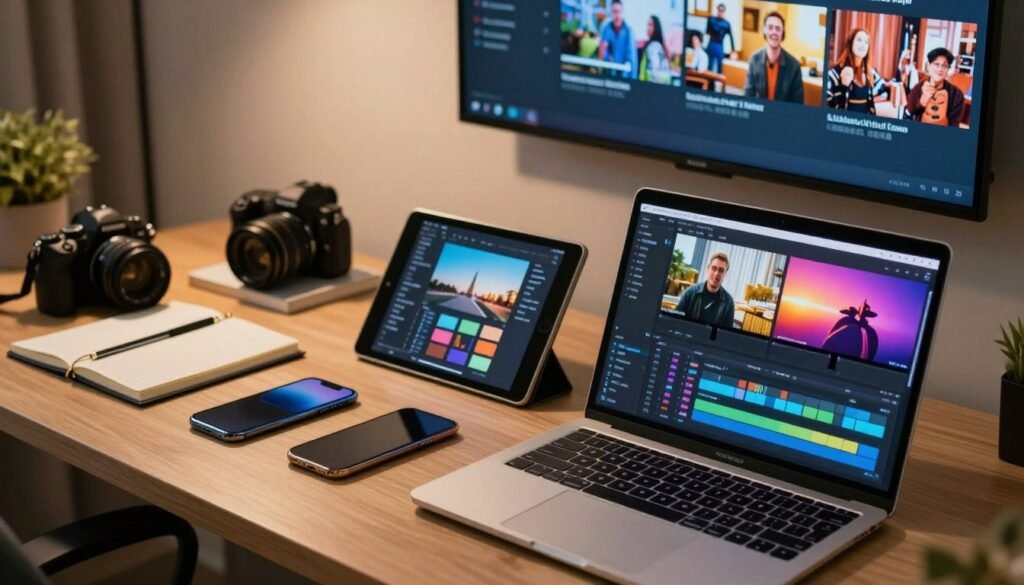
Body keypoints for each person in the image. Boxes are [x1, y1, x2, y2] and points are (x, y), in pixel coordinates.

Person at [825, 28, 898, 115]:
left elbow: (881, 85)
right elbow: (827, 108)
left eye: (866, 42)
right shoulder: (835, 74)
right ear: (851, 43)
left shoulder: (869, 72)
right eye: (859, 40)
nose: (863, 44)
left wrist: (890, 84)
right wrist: (843, 87)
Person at [744, 12, 804, 104]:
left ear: (782, 33)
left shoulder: (794, 66)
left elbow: (798, 103)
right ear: (764, 31)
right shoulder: (754, 60)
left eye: (778, 28)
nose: (774, 32)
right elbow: (747, 97)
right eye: (770, 27)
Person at [907, 47, 966, 127]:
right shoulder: (918, 88)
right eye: (936, 64)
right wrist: (921, 103)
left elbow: (954, 125)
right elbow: (909, 113)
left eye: (944, 66)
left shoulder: (957, 95)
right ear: (928, 66)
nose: (940, 69)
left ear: (948, 69)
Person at [674, 252, 735, 329]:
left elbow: (726, 334)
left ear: (725, 274)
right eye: (714, 268)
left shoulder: (729, 302)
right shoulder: (689, 293)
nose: (716, 274)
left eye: (721, 270)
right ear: (708, 269)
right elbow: (676, 321)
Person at [598, 0, 637, 79]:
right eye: (614, 12)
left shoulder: (628, 31)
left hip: (624, 77)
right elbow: (601, 56)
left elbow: (632, 59)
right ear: (611, 13)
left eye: (619, 11)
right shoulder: (606, 29)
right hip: (608, 75)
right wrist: (602, 49)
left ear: (622, 12)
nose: (617, 15)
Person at [639, 15, 671, 84]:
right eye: (648, 25)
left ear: (656, 28)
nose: (648, 28)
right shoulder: (660, 46)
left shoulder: (654, 46)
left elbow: (654, 70)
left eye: (650, 25)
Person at [705, 4, 735, 74]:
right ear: (717, 10)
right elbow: (706, 32)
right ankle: (710, 83)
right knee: (709, 65)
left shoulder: (726, 24)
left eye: (722, 11)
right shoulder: (711, 20)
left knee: (720, 66)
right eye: (719, 10)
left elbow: (731, 37)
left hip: (720, 45)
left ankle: (719, 81)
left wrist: (733, 50)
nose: (720, 12)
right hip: (711, 43)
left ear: (724, 12)